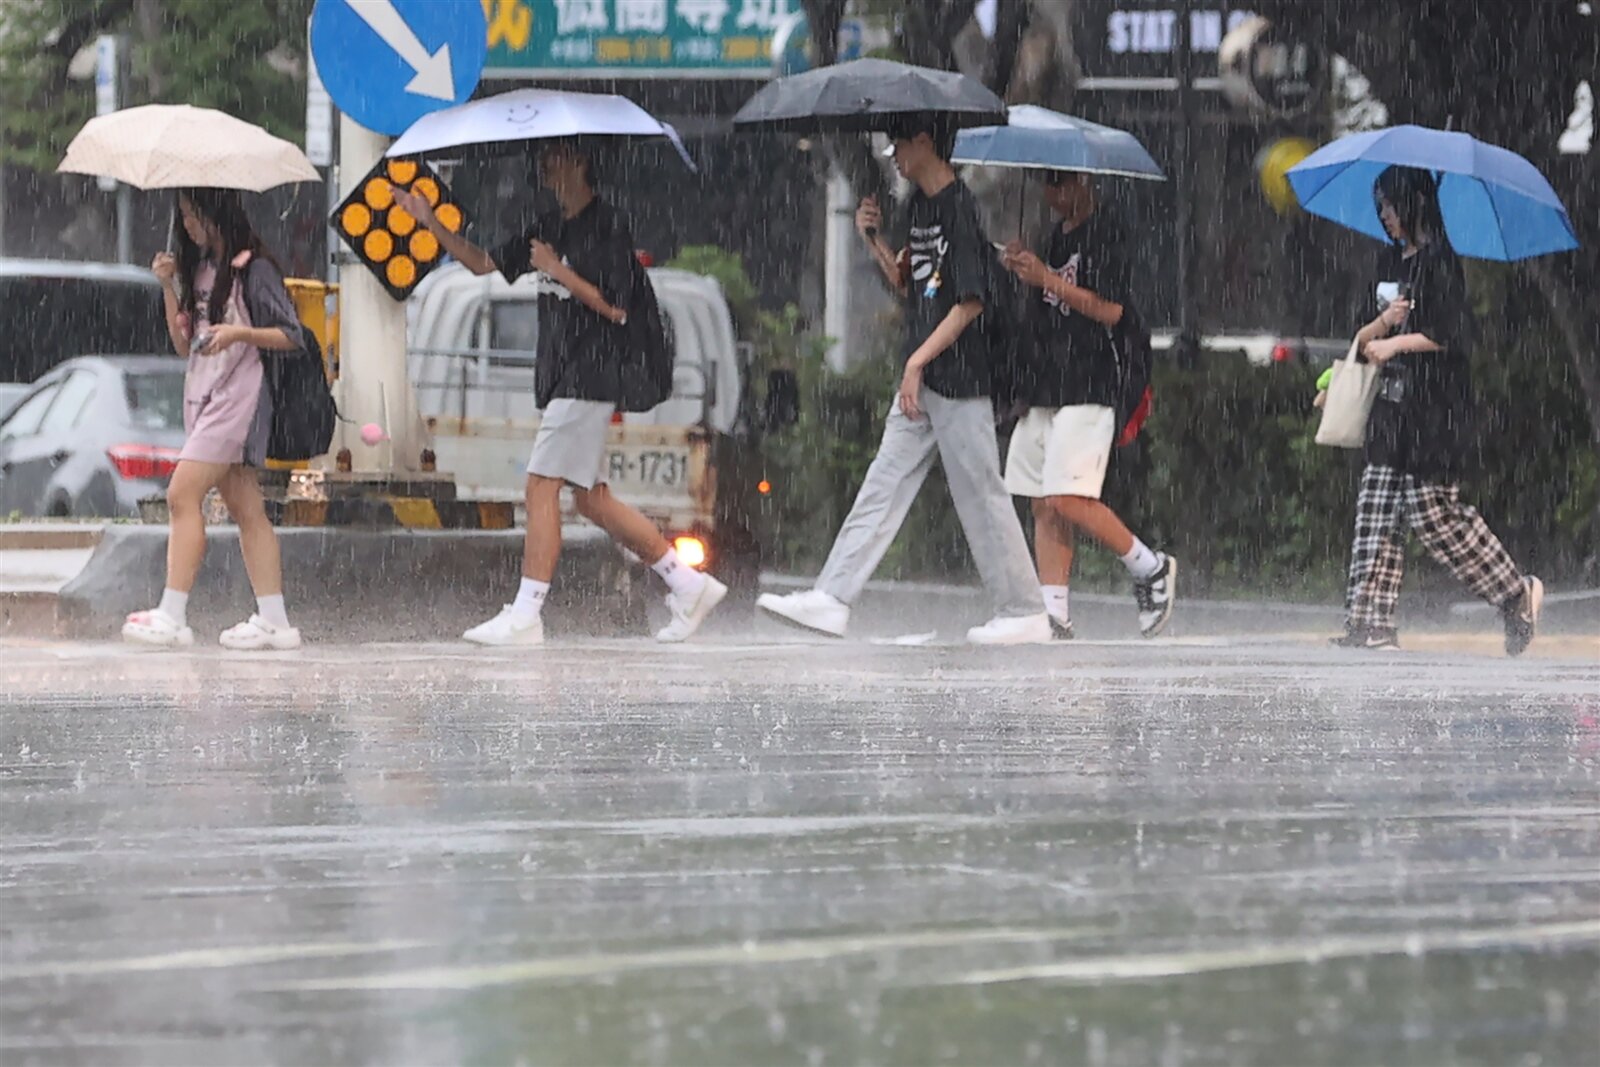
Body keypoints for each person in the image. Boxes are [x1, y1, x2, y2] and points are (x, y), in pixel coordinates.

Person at [393, 140, 726, 646]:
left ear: (578, 161)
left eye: (552, 157)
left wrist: (557, 270)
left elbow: (616, 308)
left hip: (590, 373)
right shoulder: (548, 225)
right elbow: (484, 264)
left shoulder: (606, 226)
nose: (542, 166)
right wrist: (430, 222)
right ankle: (686, 583)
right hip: (565, 373)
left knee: (540, 486)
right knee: (591, 500)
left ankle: (527, 613)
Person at [756, 114, 1049, 644]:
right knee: (883, 484)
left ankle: (1025, 610)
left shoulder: (959, 208)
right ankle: (833, 597)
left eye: (899, 146)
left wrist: (917, 362)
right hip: (927, 377)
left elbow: (971, 301)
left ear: (924, 142)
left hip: (958, 377)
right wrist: (872, 241)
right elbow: (911, 285)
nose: (893, 156)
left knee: (981, 492)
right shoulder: (920, 208)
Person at [1335, 165, 1541, 654]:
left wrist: (1398, 342)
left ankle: (1515, 594)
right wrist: (1380, 328)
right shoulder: (1391, 261)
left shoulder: (1441, 263)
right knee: (1376, 508)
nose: (1384, 215)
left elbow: (1454, 336)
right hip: (1391, 408)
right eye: (1380, 205)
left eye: (1390, 204)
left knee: (1433, 513)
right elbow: (1362, 330)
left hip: (1435, 409)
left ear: (1414, 203)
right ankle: (1370, 622)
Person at [122, 188, 305, 650]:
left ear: (216, 212)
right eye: (182, 216)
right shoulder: (203, 269)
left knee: (182, 493)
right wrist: (168, 286)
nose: (187, 225)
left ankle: (173, 613)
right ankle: (276, 621)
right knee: (247, 508)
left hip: (237, 401)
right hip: (205, 398)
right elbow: (185, 345)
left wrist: (239, 332)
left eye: (193, 214)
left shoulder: (253, 268)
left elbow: (292, 335)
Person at [999, 171, 1176, 639]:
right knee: (1042, 502)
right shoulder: (1053, 236)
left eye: (1058, 185)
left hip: (1092, 380)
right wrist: (1023, 268)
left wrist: (1048, 278)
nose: (1051, 196)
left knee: (1068, 495)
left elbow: (1112, 309)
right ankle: (1054, 613)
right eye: (1045, 187)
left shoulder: (1108, 230)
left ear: (1081, 181)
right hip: (1048, 383)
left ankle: (1148, 565)